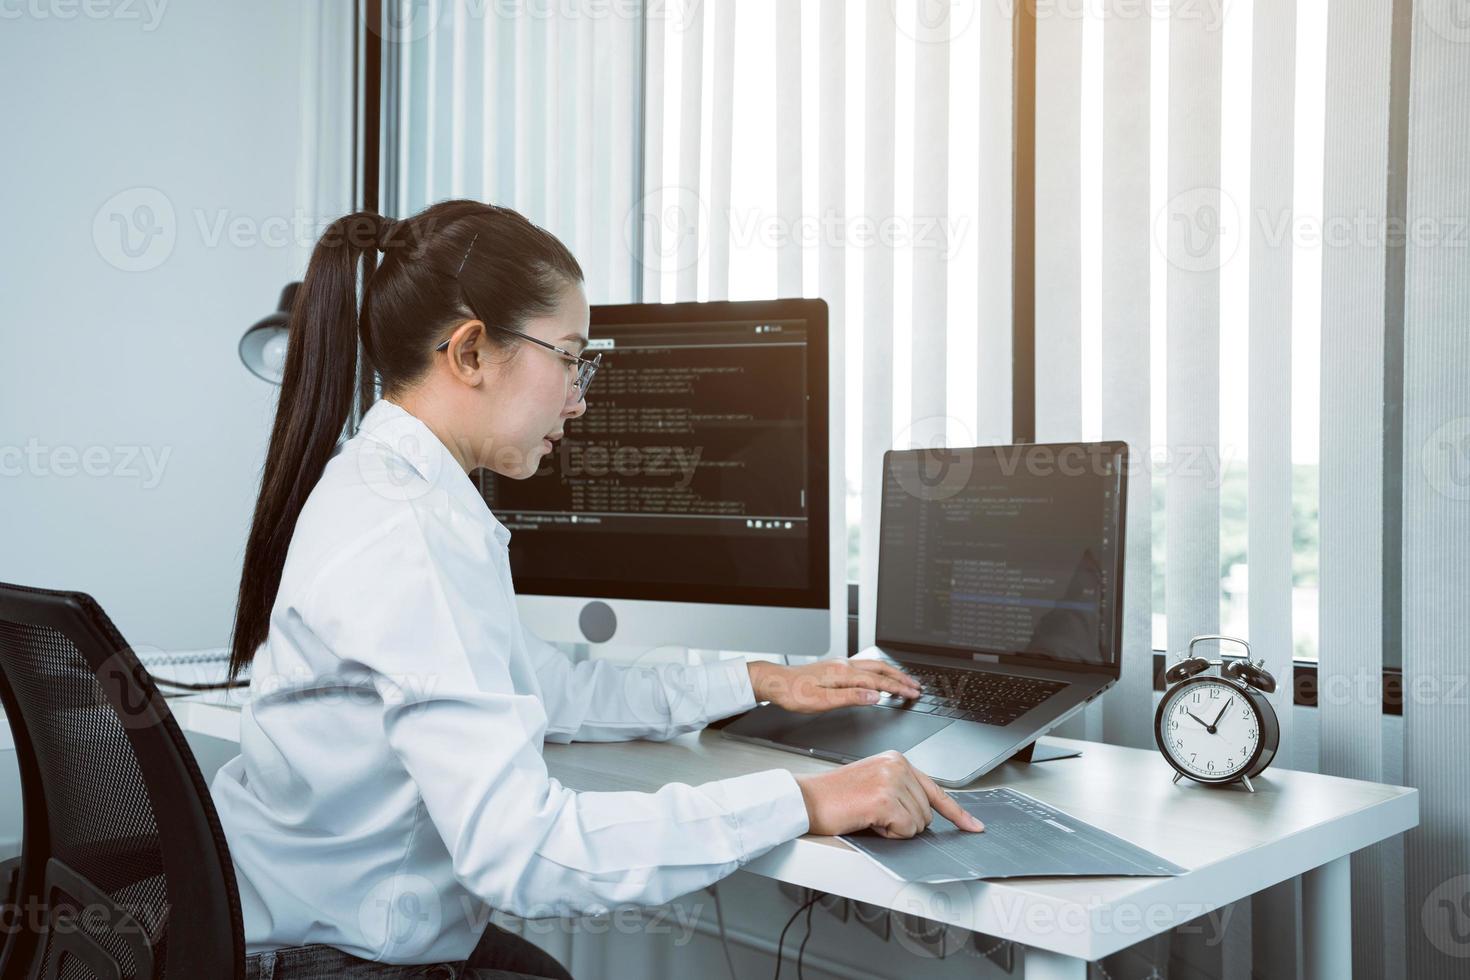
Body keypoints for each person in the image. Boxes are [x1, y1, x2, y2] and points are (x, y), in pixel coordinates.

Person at [211, 200, 984, 980]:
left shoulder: (393, 488)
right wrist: (804, 801)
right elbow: (525, 854)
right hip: (335, 960)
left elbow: (548, 687)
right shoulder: (405, 533)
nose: (579, 400)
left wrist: (756, 680)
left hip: (314, 925)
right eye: (570, 358)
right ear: (472, 353)